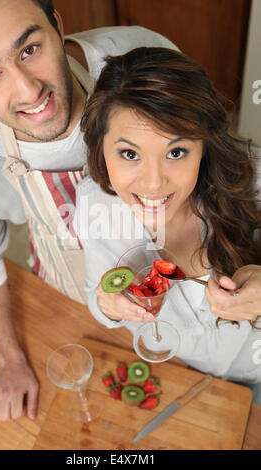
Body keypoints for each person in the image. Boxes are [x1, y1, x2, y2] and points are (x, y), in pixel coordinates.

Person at [0, 0, 179, 421]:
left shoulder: (140, 57)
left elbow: (206, 150)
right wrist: (12, 359)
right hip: (74, 299)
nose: (29, 92)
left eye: (29, 49)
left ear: (57, 25)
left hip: (185, 270)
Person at [74, 46, 261, 405]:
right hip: (182, 374)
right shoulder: (93, 205)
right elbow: (97, 295)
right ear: (101, 148)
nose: (154, 184)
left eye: (176, 152)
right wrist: (108, 307)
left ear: (204, 145)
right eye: (129, 154)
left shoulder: (252, 181)